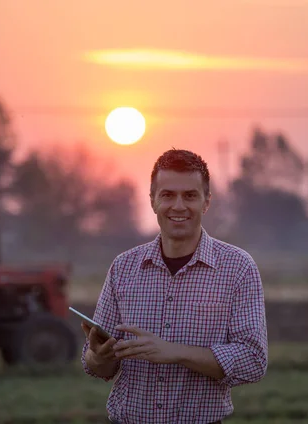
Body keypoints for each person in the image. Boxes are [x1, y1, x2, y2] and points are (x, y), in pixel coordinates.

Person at [79, 148, 268, 424]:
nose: (178, 206)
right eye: (167, 195)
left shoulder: (237, 268)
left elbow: (253, 361)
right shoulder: (123, 268)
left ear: (206, 202)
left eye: (190, 195)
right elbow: (96, 366)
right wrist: (99, 356)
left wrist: (173, 352)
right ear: (153, 201)